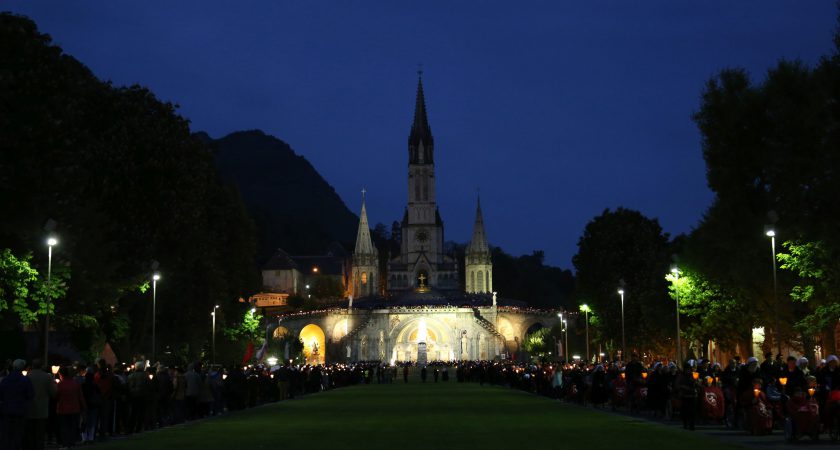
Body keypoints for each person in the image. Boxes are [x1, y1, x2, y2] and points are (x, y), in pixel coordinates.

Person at [0, 359, 35, 450]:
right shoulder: (25, 380)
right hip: (20, 410)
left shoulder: (5, 380)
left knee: (7, 433)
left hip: (7, 409)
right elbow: (30, 395)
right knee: (18, 434)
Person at [25, 359, 56, 450]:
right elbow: (53, 393)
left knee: (30, 433)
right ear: (42, 366)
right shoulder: (47, 377)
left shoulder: (28, 376)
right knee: (40, 433)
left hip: (30, 408)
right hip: (42, 408)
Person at [56, 366, 85, 449]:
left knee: (64, 428)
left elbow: (56, 396)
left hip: (63, 409)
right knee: (73, 427)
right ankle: (72, 443)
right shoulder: (75, 384)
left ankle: (66, 444)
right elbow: (80, 397)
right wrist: (84, 407)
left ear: (61, 374)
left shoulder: (60, 385)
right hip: (75, 409)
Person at [81, 369, 102, 443]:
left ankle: (84, 438)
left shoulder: (83, 385)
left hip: (84, 405)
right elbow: (99, 394)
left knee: (84, 422)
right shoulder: (95, 386)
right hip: (93, 405)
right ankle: (91, 437)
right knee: (92, 422)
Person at [678, 362, 698, 431]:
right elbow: (678, 385)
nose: (688, 370)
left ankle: (692, 425)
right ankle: (685, 423)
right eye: (687, 369)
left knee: (692, 411)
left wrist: (696, 382)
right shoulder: (681, 376)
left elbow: (696, 384)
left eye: (689, 369)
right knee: (685, 411)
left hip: (692, 395)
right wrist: (683, 387)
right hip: (685, 395)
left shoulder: (693, 375)